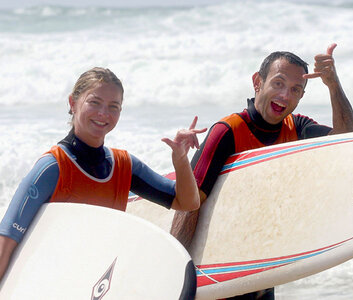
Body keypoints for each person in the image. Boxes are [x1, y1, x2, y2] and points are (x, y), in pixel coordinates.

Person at [170, 44, 353, 299]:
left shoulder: (297, 128)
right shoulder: (227, 132)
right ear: (258, 81)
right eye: (278, 83)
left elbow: (345, 141)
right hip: (221, 273)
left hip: (261, 273)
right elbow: (189, 205)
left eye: (295, 90)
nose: (285, 95)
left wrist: (333, 84)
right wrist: (177, 279)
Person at [0, 67, 207, 281]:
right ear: (73, 103)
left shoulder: (123, 165)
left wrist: (181, 160)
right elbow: (6, 242)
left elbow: (187, 202)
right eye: (95, 102)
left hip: (96, 282)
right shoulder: (52, 167)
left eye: (113, 106)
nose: (103, 113)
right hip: (52, 282)